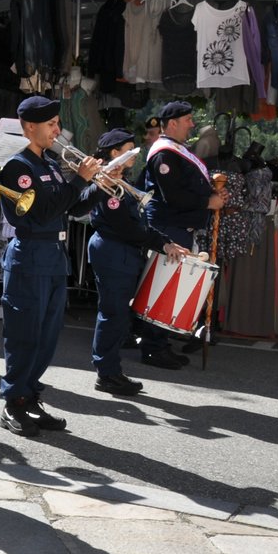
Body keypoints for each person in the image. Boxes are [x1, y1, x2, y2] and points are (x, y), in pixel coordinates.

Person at [0, 94, 99, 437]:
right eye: (51, 124)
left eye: (57, 123)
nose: (58, 130)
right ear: (29, 127)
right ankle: (13, 403)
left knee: (47, 336)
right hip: (30, 256)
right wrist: (79, 180)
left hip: (54, 258)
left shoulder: (51, 164)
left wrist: (98, 185)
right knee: (25, 334)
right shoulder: (18, 167)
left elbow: (68, 207)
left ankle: (31, 395)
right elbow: (40, 211)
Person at [86, 128, 192, 396]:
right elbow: (127, 227)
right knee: (113, 314)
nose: (135, 153)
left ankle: (111, 369)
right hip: (113, 251)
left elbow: (139, 223)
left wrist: (164, 241)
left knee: (118, 315)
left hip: (122, 251)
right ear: (114, 153)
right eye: (129, 149)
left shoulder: (121, 181)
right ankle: (107, 373)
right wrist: (161, 243)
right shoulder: (107, 183)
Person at [140, 100, 224, 365]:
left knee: (171, 285)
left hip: (177, 227)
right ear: (173, 123)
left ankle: (160, 342)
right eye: (188, 120)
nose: (192, 124)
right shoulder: (165, 154)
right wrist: (207, 202)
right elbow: (173, 196)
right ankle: (153, 347)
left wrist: (212, 195)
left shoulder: (176, 150)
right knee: (164, 286)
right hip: (168, 227)